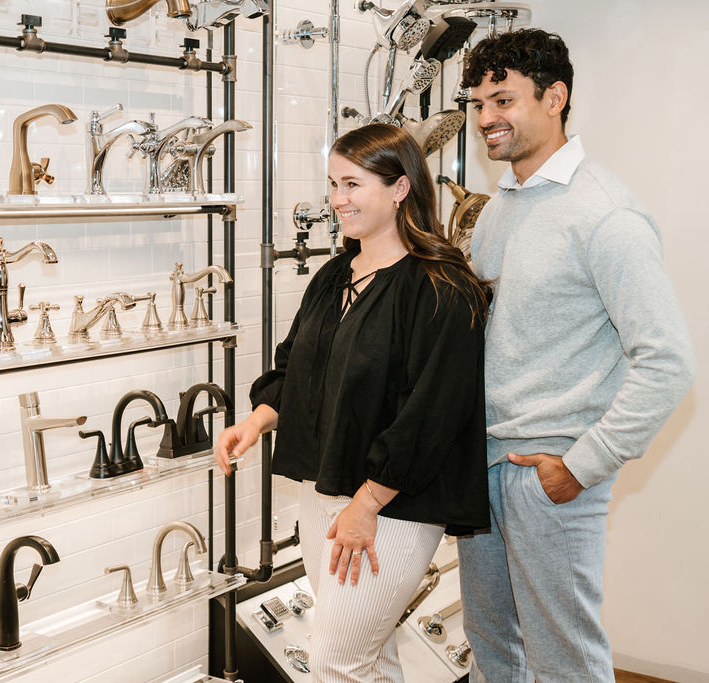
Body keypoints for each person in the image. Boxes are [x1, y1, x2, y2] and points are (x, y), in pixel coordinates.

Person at [457, 29, 696, 682]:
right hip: (483, 468)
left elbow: (668, 361)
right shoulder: (501, 209)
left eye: (502, 99)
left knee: (565, 659)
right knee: (491, 646)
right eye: (478, 104)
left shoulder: (605, 213)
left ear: (554, 97)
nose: (486, 119)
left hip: (548, 475)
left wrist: (581, 464)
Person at [215, 123, 491, 682]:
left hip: (392, 506)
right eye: (333, 184)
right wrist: (259, 419)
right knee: (372, 657)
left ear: (400, 187)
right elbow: (297, 365)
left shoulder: (442, 287)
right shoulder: (336, 273)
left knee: (336, 663)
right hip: (324, 493)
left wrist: (366, 505)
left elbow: (432, 415)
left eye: (352, 184)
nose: (337, 200)